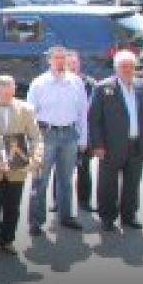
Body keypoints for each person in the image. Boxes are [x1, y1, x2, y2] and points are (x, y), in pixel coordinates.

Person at [88, 50, 143, 231]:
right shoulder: (103, 88)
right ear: (116, 68)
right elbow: (94, 120)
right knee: (107, 183)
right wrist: (97, 145)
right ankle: (107, 217)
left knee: (132, 183)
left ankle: (129, 216)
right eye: (123, 66)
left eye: (131, 66)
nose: (127, 70)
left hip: (137, 144)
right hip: (111, 146)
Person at [0, 76, 44, 255]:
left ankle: (7, 240)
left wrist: (35, 159)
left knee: (13, 206)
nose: (6, 93)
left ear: (14, 89)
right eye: (2, 90)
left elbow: (35, 137)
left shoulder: (26, 109)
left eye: (9, 89)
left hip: (18, 167)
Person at [25, 46, 89, 234]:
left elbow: (83, 112)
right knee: (40, 180)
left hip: (69, 135)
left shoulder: (76, 82)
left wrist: (83, 138)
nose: (60, 61)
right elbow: (29, 114)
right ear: (49, 60)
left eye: (63, 58)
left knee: (66, 180)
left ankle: (66, 216)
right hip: (46, 135)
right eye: (57, 58)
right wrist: (33, 142)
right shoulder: (39, 83)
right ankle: (36, 221)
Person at [59, 50, 97, 211]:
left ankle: (84, 201)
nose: (73, 66)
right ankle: (58, 202)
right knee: (61, 169)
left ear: (79, 64)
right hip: (63, 132)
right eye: (69, 64)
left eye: (75, 63)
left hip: (83, 132)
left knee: (84, 168)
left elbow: (94, 109)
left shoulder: (90, 83)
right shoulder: (58, 82)